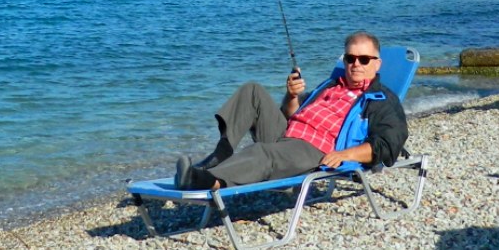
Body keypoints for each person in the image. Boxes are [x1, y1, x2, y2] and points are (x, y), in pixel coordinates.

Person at [174, 30, 408, 191]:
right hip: (288, 134)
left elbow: (388, 145)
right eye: (350, 58)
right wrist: (292, 96)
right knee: (252, 90)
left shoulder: (382, 99)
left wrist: (345, 155)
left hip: (316, 149)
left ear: (377, 63)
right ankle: (221, 153)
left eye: (364, 59)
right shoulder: (330, 85)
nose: (356, 64)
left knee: (263, 153)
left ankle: (209, 181)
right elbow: (291, 113)